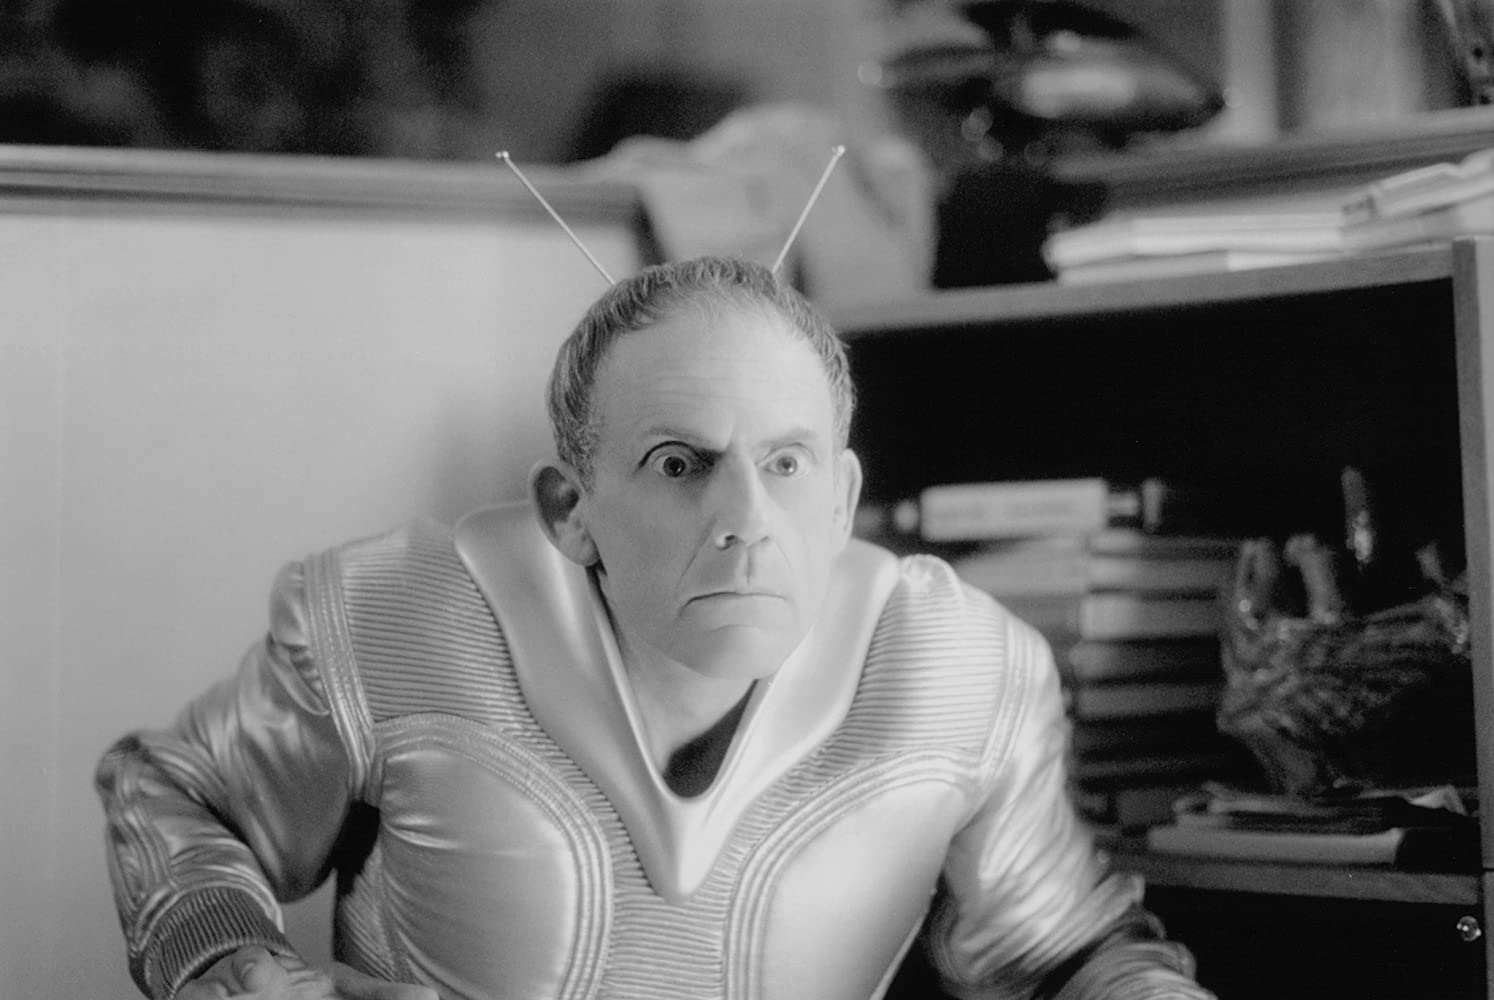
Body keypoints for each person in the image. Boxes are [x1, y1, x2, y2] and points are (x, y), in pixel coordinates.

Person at [97, 255, 1212, 1000]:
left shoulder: (957, 667)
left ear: (842, 497)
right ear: (570, 509)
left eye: (786, 464)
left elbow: (1061, 954)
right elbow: (177, 788)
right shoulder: (403, 621)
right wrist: (228, 961)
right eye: (681, 465)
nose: (746, 520)